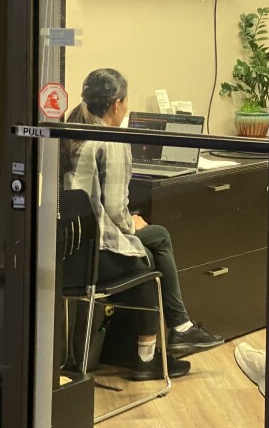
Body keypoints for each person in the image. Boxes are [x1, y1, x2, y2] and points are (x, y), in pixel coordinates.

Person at [62, 68, 224, 380]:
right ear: (116, 105)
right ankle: (160, 346)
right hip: (94, 258)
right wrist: (130, 224)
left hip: (67, 253)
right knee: (150, 257)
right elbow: (114, 209)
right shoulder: (112, 141)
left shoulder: (71, 133)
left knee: (150, 244)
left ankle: (173, 334)